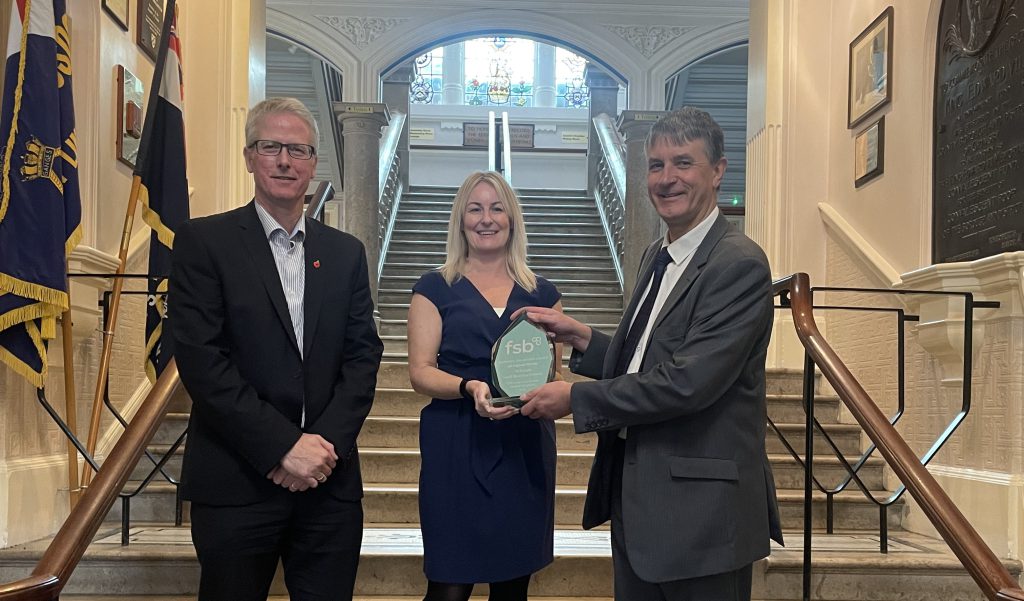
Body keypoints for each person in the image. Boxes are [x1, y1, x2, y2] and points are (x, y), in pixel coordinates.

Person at [517, 107, 784, 601]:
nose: (666, 179)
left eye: (683, 163)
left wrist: (577, 399)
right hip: (642, 507)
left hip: (702, 517)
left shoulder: (738, 264)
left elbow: (688, 382)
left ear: (719, 170)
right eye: (656, 165)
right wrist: (582, 338)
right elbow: (647, 358)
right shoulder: (656, 256)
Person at [169, 97, 383, 601]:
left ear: (313, 164)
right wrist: (283, 448)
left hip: (329, 487)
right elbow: (203, 361)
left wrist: (321, 448)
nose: (285, 160)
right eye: (271, 147)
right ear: (249, 157)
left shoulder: (345, 253)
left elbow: (362, 358)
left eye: (299, 150)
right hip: (237, 481)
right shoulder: (204, 242)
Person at [406, 171, 563, 601]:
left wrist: (542, 397)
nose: (486, 218)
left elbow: (553, 374)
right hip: (456, 441)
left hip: (522, 445)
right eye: (475, 209)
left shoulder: (543, 293)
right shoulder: (434, 287)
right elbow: (420, 370)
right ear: (460, 220)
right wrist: (469, 386)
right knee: (448, 588)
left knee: (512, 589)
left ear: (512, 219)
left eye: (497, 208)